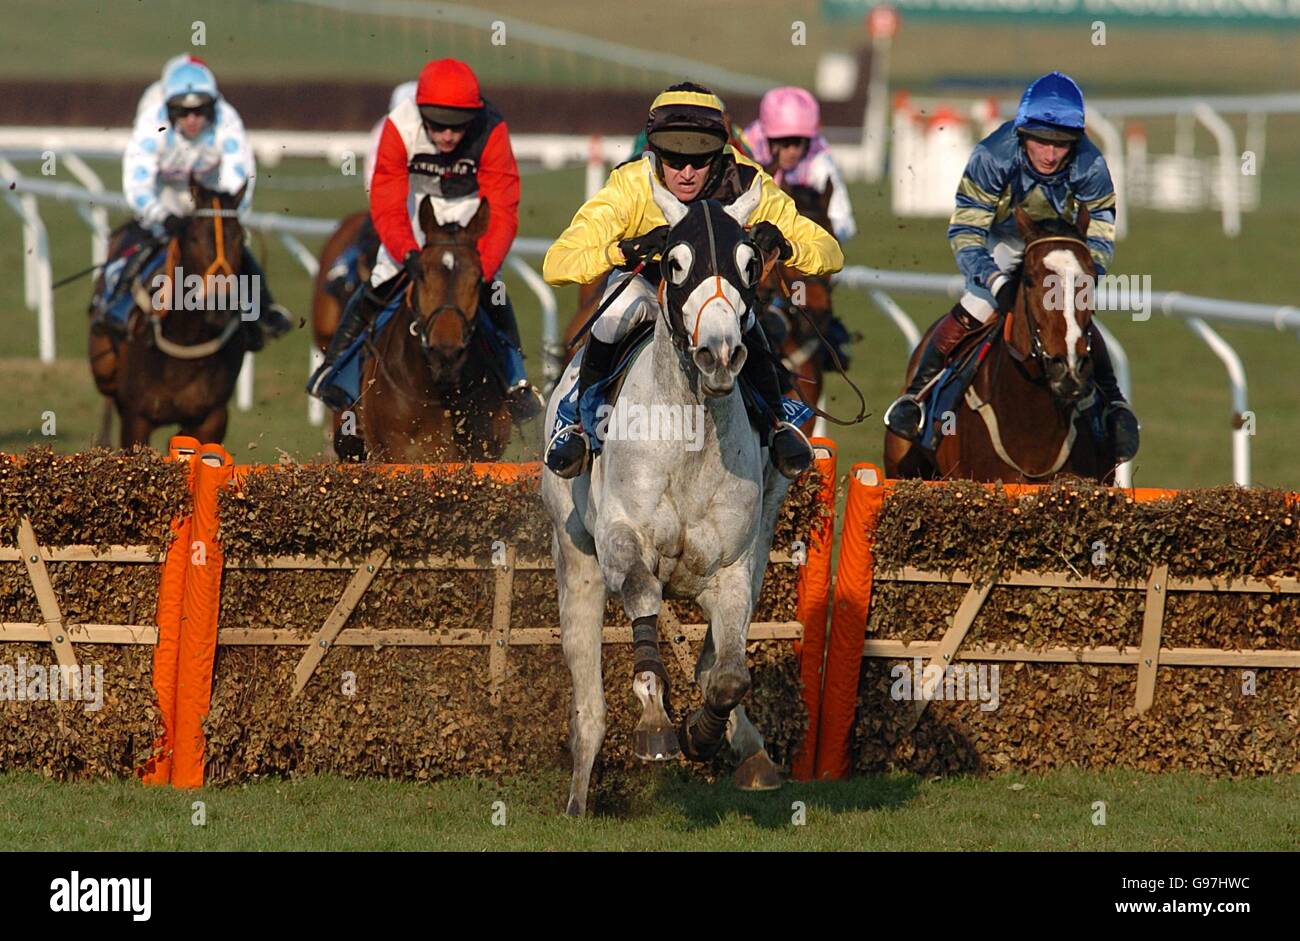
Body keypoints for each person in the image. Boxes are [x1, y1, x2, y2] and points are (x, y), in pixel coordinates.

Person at [542, 82, 844, 480]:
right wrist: (624, 251)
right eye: (674, 159)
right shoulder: (630, 184)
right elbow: (557, 264)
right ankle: (578, 423)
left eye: (700, 160)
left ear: (719, 153)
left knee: (743, 316)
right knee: (614, 311)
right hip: (650, 287)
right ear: (654, 150)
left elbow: (830, 253)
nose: (686, 173)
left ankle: (776, 422)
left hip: (714, 293)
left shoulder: (749, 183)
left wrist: (785, 244)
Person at [881, 71, 1139, 462]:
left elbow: (1102, 229)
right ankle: (917, 398)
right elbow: (967, 230)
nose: (1051, 155)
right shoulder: (992, 155)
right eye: (1041, 142)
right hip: (1003, 242)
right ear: (1022, 134)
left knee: (1070, 318)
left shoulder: (1090, 163)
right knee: (979, 305)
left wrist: (1088, 278)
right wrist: (996, 281)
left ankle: (1114, 407)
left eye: (1062, 145)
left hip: (1062, 248)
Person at [307, 58, 541, 421]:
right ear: (421, 113)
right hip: (415, 210)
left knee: (493, 290)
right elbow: (386, 197)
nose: (447, 136)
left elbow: (504, 206)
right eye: (437, 126)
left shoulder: (492, 128)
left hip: (469, 214)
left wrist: (484, 264)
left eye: (457, 127)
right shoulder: (399, 126)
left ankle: (516, 382)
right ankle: (336, 368)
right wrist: (407, 251)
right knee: (382, 279)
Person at [97, 58, 292, 348]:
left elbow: (238, 179)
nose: (192, 120)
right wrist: (162, 216)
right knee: (132, 247)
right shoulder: (152, 123)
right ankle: (116, 304)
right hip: (164, 199)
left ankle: (263, 311)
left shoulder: (227, 120)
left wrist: (219, 217)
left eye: (200, 111)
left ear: (212, 107)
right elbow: (137, 186)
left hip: (212, 200)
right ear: (170, 110)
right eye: (183, 112)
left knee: (232, 250)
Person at [744, 86, 856, 243]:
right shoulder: (746, 149)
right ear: (767, 136)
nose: (792, 151)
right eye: (784, 142)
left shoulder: (820, 159)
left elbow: (844, 223)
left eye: (799, 142)